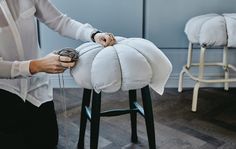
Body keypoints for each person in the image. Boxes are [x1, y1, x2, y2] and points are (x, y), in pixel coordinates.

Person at [0, 0, 116, 148]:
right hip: (4, 91)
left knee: (48, 140)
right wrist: (35, 65)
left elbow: (60, 21)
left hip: (36, 88)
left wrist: (93, 34)